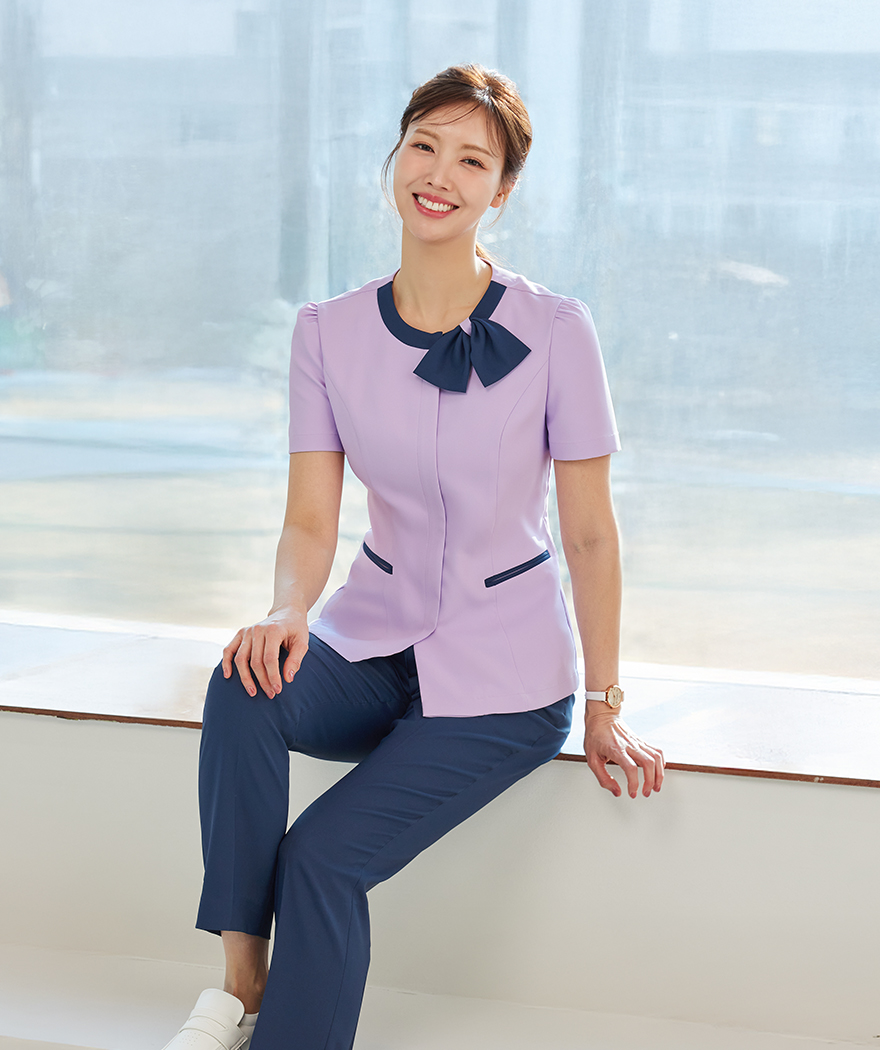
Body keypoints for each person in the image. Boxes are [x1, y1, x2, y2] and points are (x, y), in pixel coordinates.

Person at [162, 63, 664, 1050]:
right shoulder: (326, 333)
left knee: (321, 858)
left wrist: (605, 702)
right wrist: (287, 609)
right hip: (372, 642)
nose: (440, 174)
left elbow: (590, 534)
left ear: (501, 191)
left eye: (472, 160)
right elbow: (311, 520)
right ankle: (240, 981)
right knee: (242, 682)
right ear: (394, 158)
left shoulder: (557, 331)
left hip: (503, 679)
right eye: (425, 146)